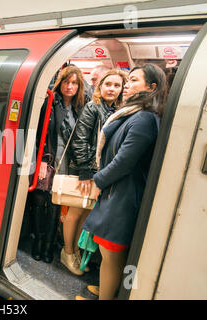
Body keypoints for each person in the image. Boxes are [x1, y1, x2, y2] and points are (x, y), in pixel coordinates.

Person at [81, 64, 167, 300]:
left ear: (151, 87)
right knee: (109, 253)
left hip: (123, 196)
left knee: (112, 254)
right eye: (127, 80)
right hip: (116, 191)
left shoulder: (144, 119)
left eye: (134, 80)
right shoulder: (133, 113)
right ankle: (108, 288)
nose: (126, 85)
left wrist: (97, 181)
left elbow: (124, 162)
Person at [66, 69, 127, 275]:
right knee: (75, 212)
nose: (112, 89)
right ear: (100, 86)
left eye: (117, 85)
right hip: (85, 170)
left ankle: (75, 251)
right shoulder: (94, 107)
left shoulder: (116, 110)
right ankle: (67, 253)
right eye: (108, 84)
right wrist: (85, 171)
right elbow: (80, 139)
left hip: (99, 171)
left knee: (86, 214)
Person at [29, 65, 86, 263]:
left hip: (66, 164)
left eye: (74, 83)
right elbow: (39, 133)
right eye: (66, 82)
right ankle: (37, 242)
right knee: (39, 203)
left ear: (79, 87)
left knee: (55, 206)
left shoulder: (80, 108)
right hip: (48, 159)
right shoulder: (50, 102)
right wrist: (42, 160)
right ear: (60, 83)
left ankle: (48, 247)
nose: (70, 86)